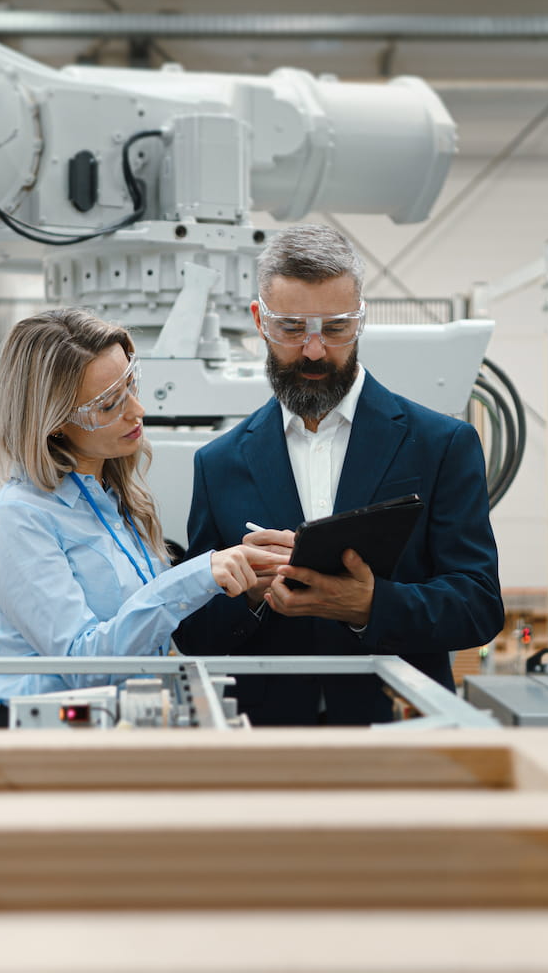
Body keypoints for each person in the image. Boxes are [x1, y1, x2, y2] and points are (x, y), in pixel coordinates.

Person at [173, 223, 503, 726]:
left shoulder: (441, 445)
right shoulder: (219, 464)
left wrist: (371, 605)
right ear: (259, 320)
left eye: (335, 328)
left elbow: (478, 605)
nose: (313, 350)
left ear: (361, 320)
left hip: (401, 734)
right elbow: (194, 632)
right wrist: (249, 594)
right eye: (292, 328)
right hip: (269, 740)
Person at [0, 307, 284, 726]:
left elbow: (149, 630)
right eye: (109, 404)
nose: (137, 410)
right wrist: (199, 574)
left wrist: (244, 583)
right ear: (53, 423)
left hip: (114, 726)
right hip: (49, 736)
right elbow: (83, 663)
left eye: (131, 385)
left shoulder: (116, 499)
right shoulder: (19, 517)